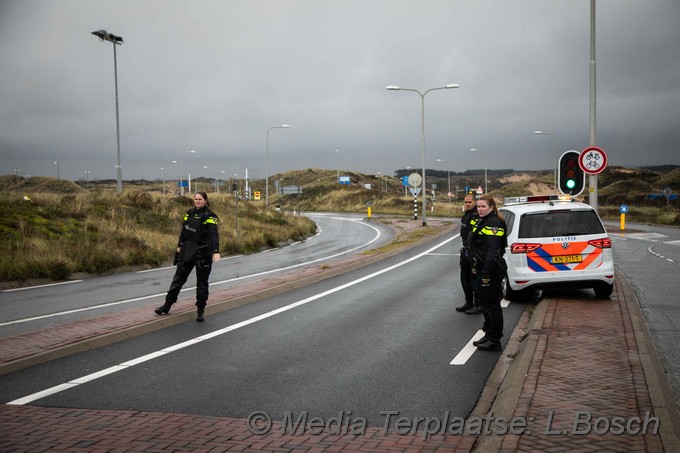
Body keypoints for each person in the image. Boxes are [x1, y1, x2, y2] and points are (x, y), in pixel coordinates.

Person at [155, 191, 221, 321]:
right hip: (188, 251)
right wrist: (179, 245)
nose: (197, 201)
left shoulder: (210, 216)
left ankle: (200, 310)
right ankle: (167, 305)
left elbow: (214, 234)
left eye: (200, 199)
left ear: (205, 200)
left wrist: (216, 251)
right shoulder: (189, 213)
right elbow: (183, 231)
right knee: (177, 280)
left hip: (203, 253)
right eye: (195, 199)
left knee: (202, 284)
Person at [467, 194, 507, 351]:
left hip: (491, 269)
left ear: (491, 207)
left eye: (483, 206)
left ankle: (495, 339)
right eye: (479, 206)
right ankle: (488, 333)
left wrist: (486, 273)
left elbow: (492, 250)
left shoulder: (494, 223)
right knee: (485, 304)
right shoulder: (482, 220)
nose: (480, 209)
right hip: (482, 267)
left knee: (492, 306)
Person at [456, 194, 482, 314]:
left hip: (474, 252)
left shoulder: (477, 216)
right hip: (465, 251)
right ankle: (469, 302)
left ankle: (478, 304)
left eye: (470, 202)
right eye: (465, 202)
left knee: (474, 279)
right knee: (464, 279)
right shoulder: (465, 215)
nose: (467, 204)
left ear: (475, 202)